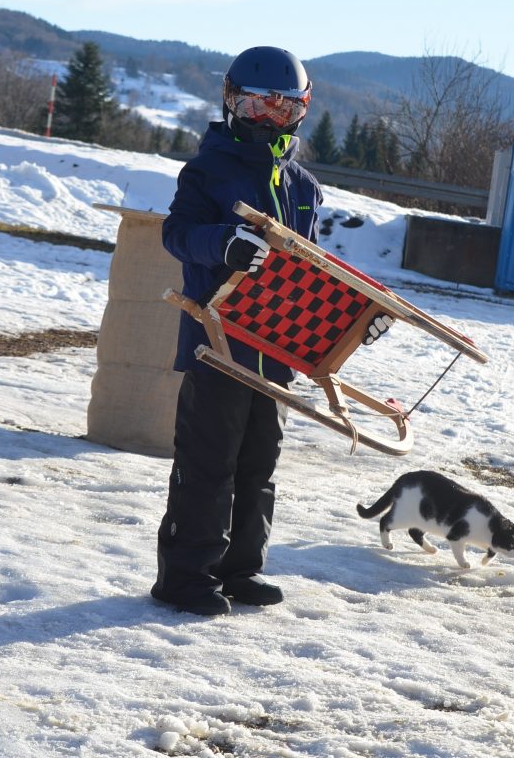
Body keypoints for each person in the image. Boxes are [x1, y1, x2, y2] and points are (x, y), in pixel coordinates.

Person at [151, 46, 323, 616]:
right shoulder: (210, 169)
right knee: (209, 461)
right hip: (218, 340)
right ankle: (186, 576)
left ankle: (240, 569)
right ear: (232, 100)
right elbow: (177, 234)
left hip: (276, 348)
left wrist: (350, 322)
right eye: (258, 105)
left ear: (301, 109)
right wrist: (221, 243)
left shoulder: (302, 185)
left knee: (257, 462)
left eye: (284, 109)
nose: (270, 119)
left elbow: (311, 268)